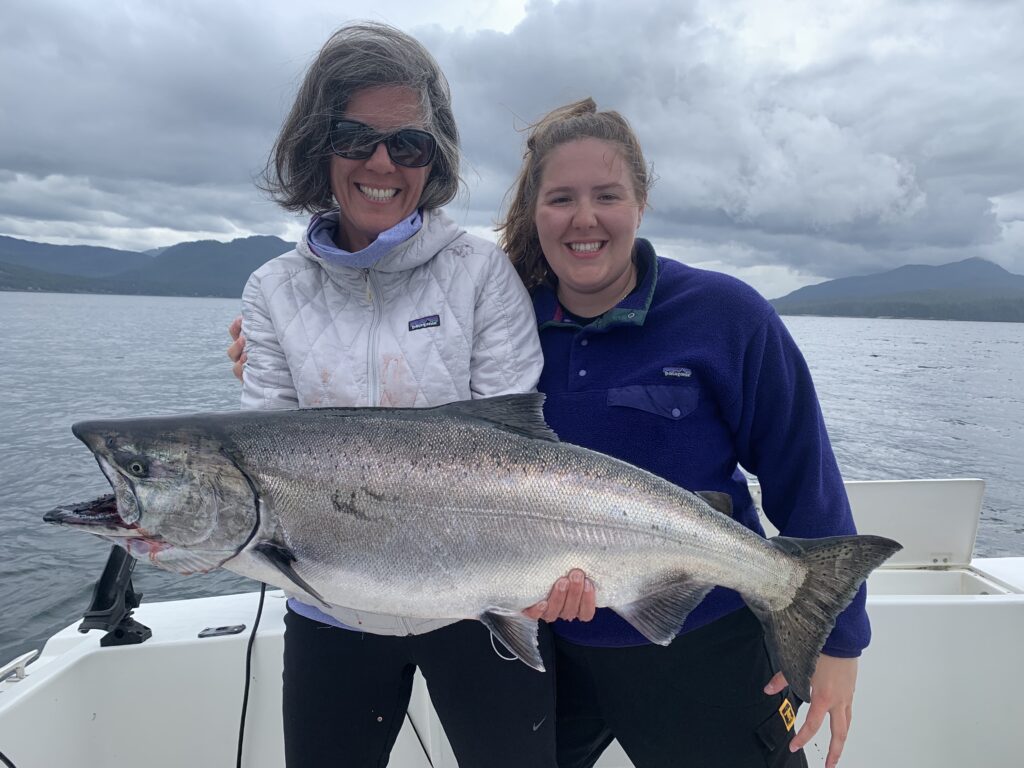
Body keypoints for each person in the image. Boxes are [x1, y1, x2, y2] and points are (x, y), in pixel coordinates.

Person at [235, 22, 563, 767]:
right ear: (319, 145)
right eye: (356, 138)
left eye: (408, 144)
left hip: (481, 612)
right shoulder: (271, 292)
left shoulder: (480, 274)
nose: (382, 163)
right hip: (330, 615)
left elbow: (514, 449)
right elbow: (266, 456)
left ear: (434, 158)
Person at [501, 99, 864, 768]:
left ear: (640, 202)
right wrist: (258, 352)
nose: (584, 217)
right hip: (549, 654)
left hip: (707, 645)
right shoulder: (500, 321)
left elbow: (802, 472)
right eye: (561, 198)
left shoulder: (725, 315)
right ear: (534, 213)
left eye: (606, 195)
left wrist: (840, 642)